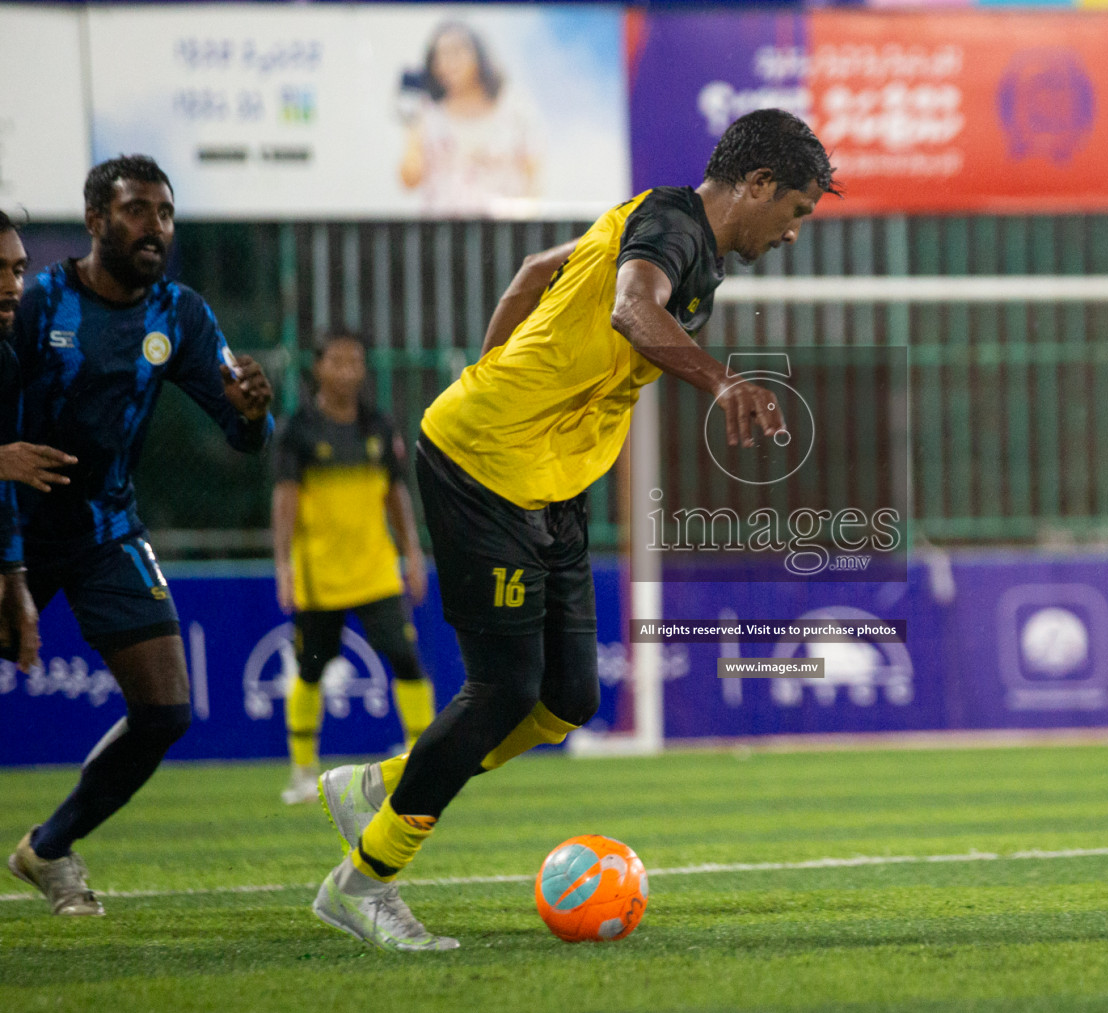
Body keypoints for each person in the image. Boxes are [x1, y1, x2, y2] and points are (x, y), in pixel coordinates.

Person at [310, 108, 836, 951]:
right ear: (760, 185)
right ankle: (362, 882)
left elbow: (531, 272)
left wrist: (493, 374)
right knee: (504, 691)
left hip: (549, 482)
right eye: (799, 210)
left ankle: (382, 784)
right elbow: (633, 312)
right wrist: (719, 382)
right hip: (484, 467)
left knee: (568, 699)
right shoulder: (666, 226)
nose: (797, 232)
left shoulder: (659, 226)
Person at [5, 156, 273, 916]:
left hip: (104, 527)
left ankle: (48, 850)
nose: (153, 225)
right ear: (95, 221)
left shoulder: (180, 315)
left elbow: (243, 430)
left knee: (165, 711)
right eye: (134, 210)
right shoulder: (36, 303)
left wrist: (252, 411)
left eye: (163, 213)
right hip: (11, 519)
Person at [272, 329, 436, 805]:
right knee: (310, 669)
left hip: (376, 571)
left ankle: (420, 761)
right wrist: (284, 566)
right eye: (337, 362)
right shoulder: (298, 429)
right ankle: (303, 773)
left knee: (406, 660)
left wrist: (413, 554)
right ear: (318, 367)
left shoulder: (378, 427)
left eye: (355, 362)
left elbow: (396, 495)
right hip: (320, 576)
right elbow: (284, 501)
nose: (347, 371)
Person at [0, 211, 78, 674]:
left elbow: (5, 480)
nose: (12, 286)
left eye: (17, 269)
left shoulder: (6, 361)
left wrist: (13, 579)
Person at [399, 21, 541, 215]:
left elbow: (533, 174)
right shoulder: (429, 114)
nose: (448, 62)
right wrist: (412, 124)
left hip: (503, 230)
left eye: (456, 51)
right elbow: (409, 180)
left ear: (478, 56)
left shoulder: (514, 109)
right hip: (443, 230)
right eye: (439, 55)